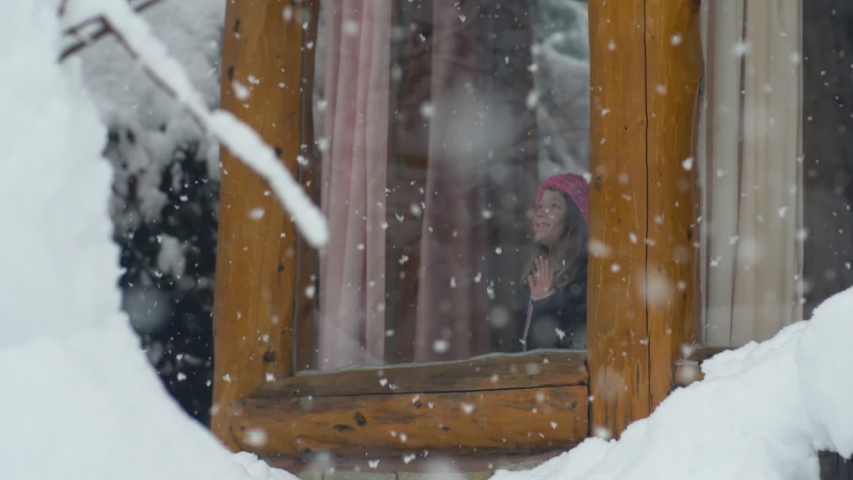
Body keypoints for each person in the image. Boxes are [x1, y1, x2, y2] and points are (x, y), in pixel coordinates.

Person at [516, 173, 589, 351]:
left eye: (554, 206)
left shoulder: (585, 277)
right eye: (540, 206)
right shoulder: (533, 273)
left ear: (573, 220)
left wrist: (545, 303)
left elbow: (567, 348)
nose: (541, 212)